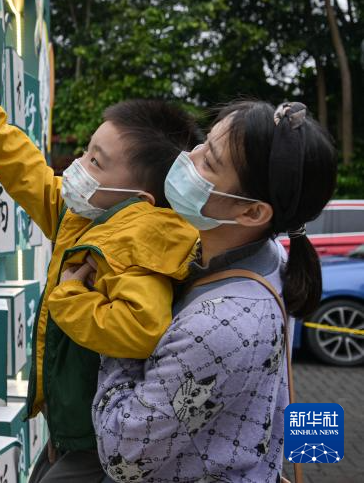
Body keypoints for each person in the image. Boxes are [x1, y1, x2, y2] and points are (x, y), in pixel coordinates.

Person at [0, 44, 203, 482]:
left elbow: (141, 328)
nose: (79, 165)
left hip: (96, 441)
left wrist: (69, 297)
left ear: (140, 199)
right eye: (86, 151)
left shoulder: (139, 245)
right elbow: (30, 175)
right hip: (71, 426)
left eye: (96, 162)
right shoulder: (87, 215)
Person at [92, 100, 336, 483]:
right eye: (205, 142)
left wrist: (113, 319)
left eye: (209, 162)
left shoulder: (222, 326)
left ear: (252, 213)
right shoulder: (269, 257)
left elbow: (122, 453)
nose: (189, 156)